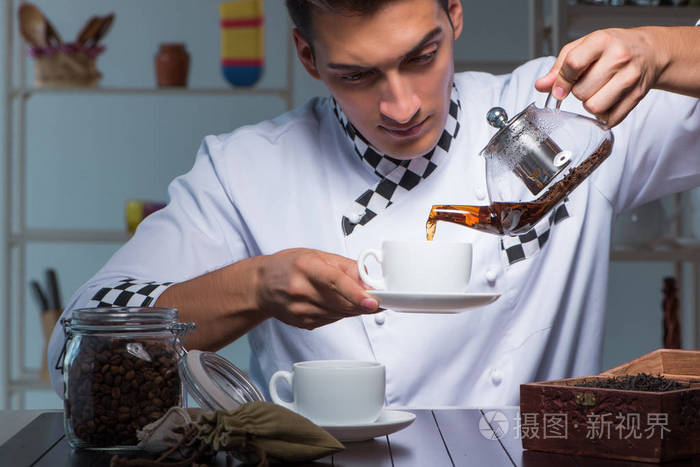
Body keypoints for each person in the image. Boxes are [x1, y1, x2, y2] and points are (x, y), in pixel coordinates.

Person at [49, 0, 700, 406]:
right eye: (356, 74)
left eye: (422, 55)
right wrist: (255, 286)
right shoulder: (248, 169)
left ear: (455, 12)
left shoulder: (555, 113)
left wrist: (661, 48)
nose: (402, 104)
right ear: (307, 55)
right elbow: (73, 349)